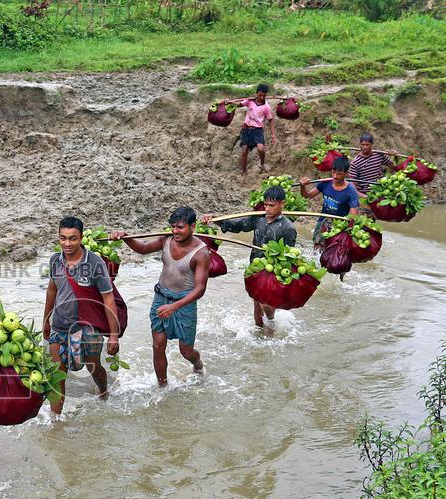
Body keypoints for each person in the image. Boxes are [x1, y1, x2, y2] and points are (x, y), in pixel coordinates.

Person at [111, 207, 209, 387]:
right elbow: (143, 248)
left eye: (180, 227)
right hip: (161, 298)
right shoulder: (166, 240)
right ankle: (162, 386)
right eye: (173, 227)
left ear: (193, 227)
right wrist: (126, 236)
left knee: (186, 351)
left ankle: (197, 363)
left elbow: (200, 289)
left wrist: (175, 306)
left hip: (184, 304)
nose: (175, 231)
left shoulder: (201, 253)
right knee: (158, 346)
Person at [43, 216, 120, 413]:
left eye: (72, 238)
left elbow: (108, 299)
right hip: (60, 326)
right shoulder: (55, 260)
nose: (67, 243)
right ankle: (55, 419)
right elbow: (52, 290)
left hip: (88, 328)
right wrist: (46, 320)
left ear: (81, 238)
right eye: (63, 238)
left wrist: (113, 335)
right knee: (57, 374)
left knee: (93, 366)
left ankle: (103, 391)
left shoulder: (95, 263)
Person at [203, 186, 297, 328]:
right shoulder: (258, 219)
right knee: (257, 302)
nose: (268, 209)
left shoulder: (288, 228)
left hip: (273, 271)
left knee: (265, 302)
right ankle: (260, 331)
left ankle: (271, 323)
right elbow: (238, 225)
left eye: (272, 205)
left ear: (282, 203)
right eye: (266, 204)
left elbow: (288, 256)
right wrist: (217, 220)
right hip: (255, 266)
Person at [299, 155, 359, 248]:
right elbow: (307, 196)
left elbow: (353, 217)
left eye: (339, 173)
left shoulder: (351, 191)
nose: (335, 176)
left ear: (346, 173)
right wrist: (302, 186)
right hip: (323, 220)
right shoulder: (325, 183)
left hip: (339, 225)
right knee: (317, 246)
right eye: (333, 172)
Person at [238, 84, 278, 178]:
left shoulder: (266, 107)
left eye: (264, 96)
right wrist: (227, 103)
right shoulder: (249, 102)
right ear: (256, 93)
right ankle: (244, 171)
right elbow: (237, 105)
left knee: (260, 148)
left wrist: (273, 135)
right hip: (246, 129)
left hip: (258, 130)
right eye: (260, 95)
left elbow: (270, 120)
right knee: (244, 151)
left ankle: (262, 163)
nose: (262, 97)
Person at [347, 132, 395, 197]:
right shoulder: (355, 162)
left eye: (367, 145)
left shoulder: (379, 155)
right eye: (362, 145)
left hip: (381, 191)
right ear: (360, 144)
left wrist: (394, 156)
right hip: (365, 194)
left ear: (372, 144)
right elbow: (351, 181)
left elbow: (391, 166)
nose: (365, 147)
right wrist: (360, 194)